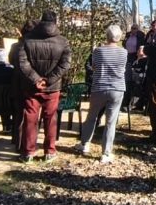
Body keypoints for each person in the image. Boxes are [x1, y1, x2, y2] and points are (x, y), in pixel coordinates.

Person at [16, 11, 72, 161]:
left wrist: (36, 79)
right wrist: (49, 80)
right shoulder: (63, 41)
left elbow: (22, 62)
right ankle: (50, 151)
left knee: (30, 118)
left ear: (41, 21)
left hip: (31, 86)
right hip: (53, 87)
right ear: (56, 22)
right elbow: (65, 64)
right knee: (50, 118)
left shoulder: (27, 39)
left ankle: (28, 152)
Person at [78, 25, 128, 163]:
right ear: (119, 37)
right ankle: (106, 153)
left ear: (107, 36)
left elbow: (94, 67)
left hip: (99, 87)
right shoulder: (124, 52)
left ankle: (84, 144)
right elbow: (122, 68)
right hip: (117, 88)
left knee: (91, 117)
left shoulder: (98, 51)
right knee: (111, 121)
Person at [8, 20, 37, 145]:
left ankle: (16, 139)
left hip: (16, 81)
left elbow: (10, 61)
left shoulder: (15, 46)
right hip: (30, 81)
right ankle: (26, 142)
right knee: (30, 112)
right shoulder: (34, 45)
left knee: (18, 112)